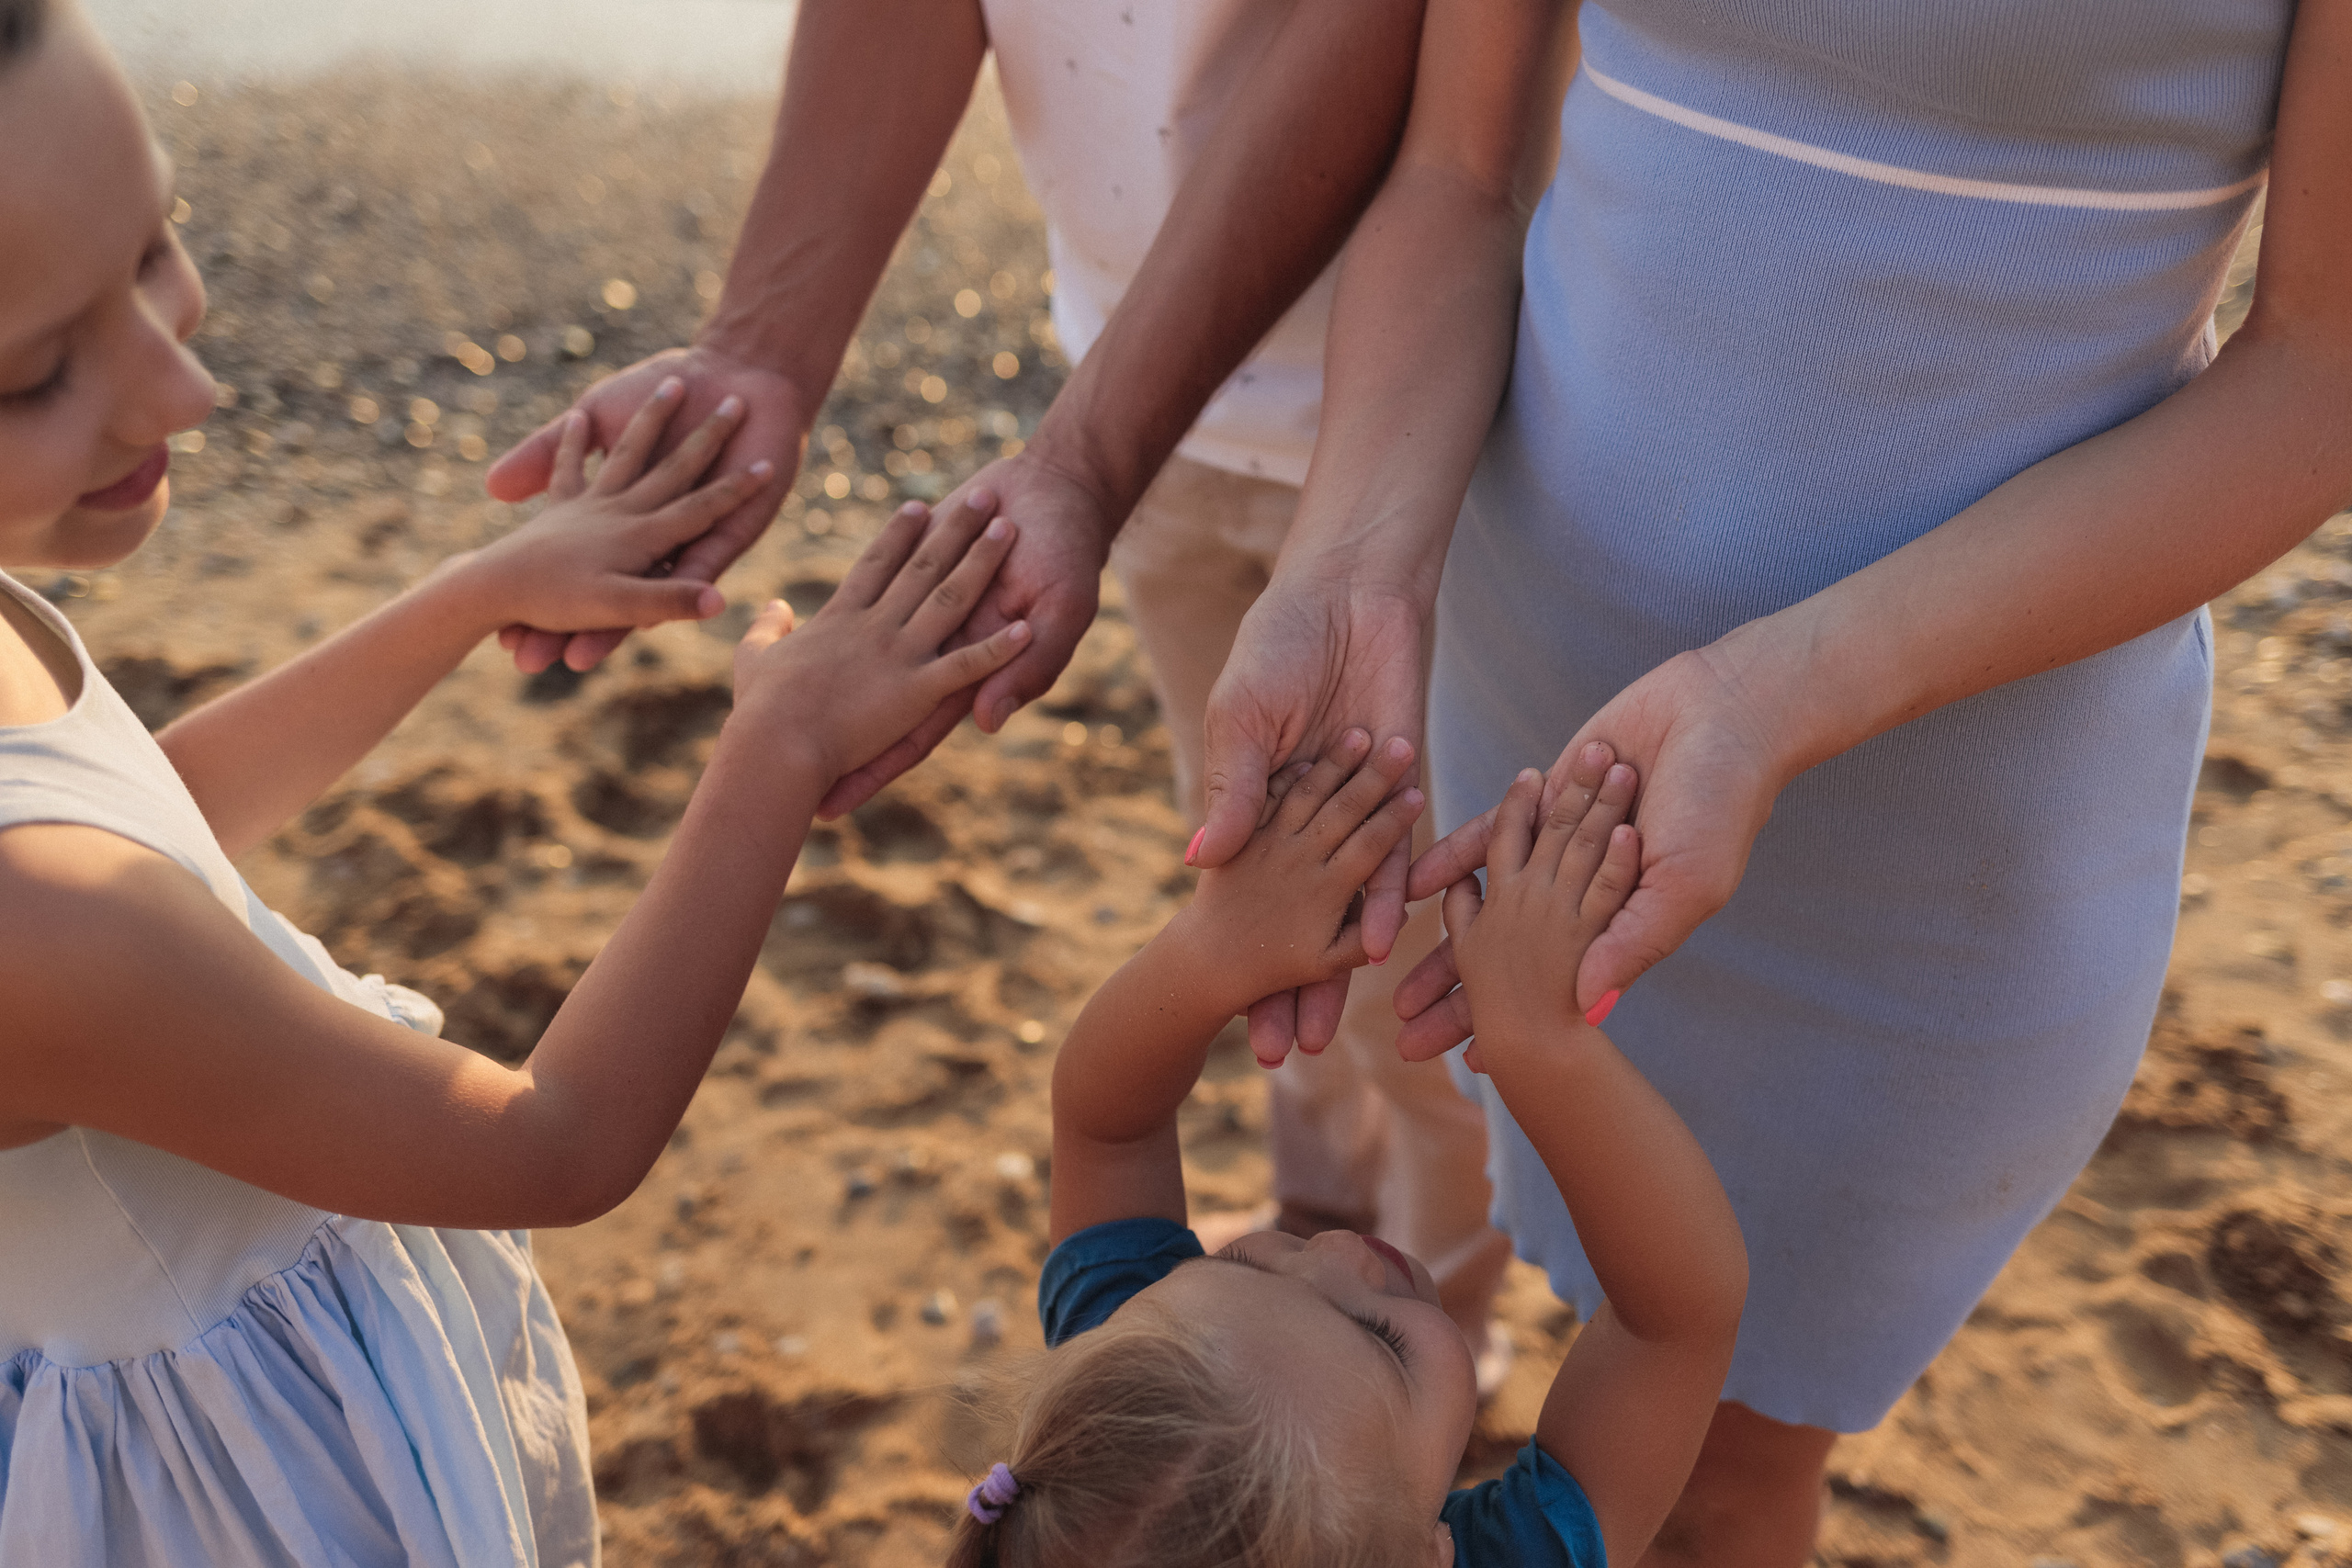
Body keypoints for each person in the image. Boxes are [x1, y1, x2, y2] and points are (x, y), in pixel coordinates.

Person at [1182, 0, 2352, 1560]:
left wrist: (1790, 689)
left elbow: (2325, 366)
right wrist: (1353, 570)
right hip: (1543, 700)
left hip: (1953, 794)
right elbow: (1456, 174)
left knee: (1730, 1464)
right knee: (1601, 1297)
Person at [0, 8, 1030, 1559]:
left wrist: (468, 593)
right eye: (30, 374)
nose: (183, 386)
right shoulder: (32, 934)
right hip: (272, 1488)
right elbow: (551, 1142)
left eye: (157, 245)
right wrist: (780, 746)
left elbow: (148, 826)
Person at [483, 0, 1514, 1365]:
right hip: (1136, 391)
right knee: (1257, 880)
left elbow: (1397, 45)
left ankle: (1428, 1325)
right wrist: (761, 353)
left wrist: (1083, 463)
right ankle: (1316, 1211)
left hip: (1437, 409)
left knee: (1411, 963)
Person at [948, 741, 1747, 1568]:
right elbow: (1678, 1321)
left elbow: (1105, 1125)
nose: (1333, 1251)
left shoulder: (1129, 1422)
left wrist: (1212, 949)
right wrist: (1541, 1048)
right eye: (1382, 1341)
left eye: (1247, 1267)